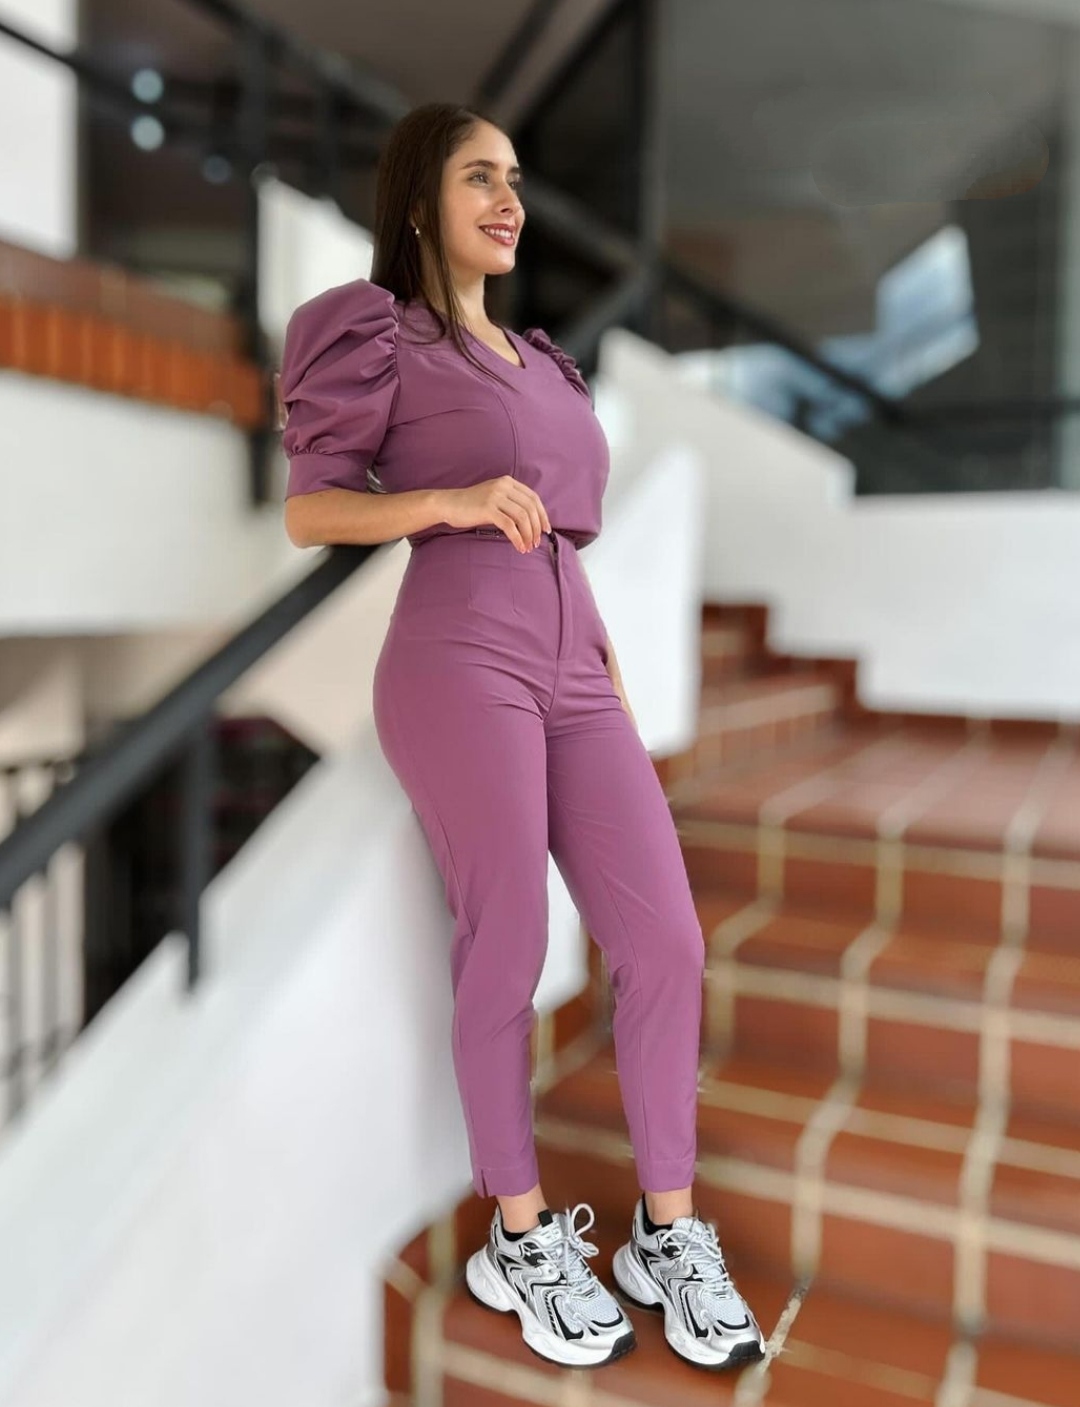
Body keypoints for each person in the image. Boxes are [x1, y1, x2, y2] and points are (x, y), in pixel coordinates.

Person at [277, 101, 764, 1373]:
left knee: (666, 941)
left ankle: (667, 1233)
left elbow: (560, 533)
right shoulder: (375, 337)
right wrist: (443, 500)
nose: (509, 202)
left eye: (514, 181)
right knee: (512, 943)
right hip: (458, 662)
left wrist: (603, 657)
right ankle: (521, 1235)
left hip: (573, 665)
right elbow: (312, 513)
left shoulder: (547, 365)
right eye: (478, 178)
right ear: (417, 203)